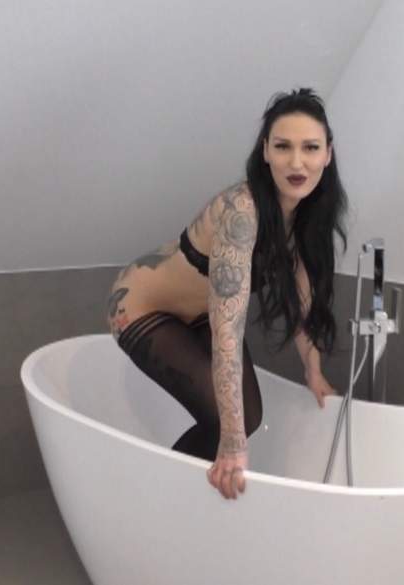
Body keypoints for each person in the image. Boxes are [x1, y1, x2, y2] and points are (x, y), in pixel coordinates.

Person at [106, 88, 348, 500]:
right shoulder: (242, 212)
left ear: (328, 153)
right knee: (230, 426)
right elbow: (228, 334)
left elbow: (302, 296)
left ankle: (172, 493)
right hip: (142, 306)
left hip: (199, 313)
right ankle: (158, 498)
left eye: (310, 147)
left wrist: (313, 370)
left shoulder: (306, 215)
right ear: (265, 151)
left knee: (245, 418)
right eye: (283, 146)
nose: (297, 162)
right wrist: (232, 446)